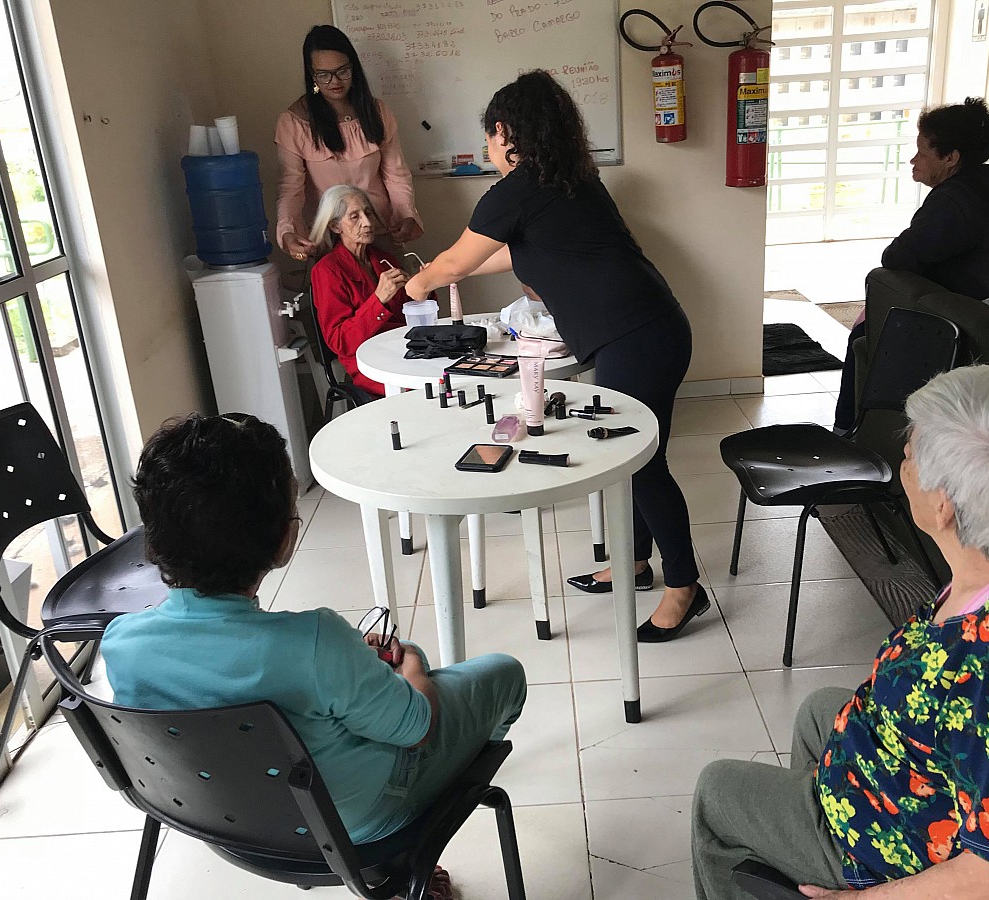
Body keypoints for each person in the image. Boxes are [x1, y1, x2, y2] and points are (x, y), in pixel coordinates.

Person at [693, 366, 989, 900]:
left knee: (717, 793)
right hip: (936, 783)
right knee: (819, 711)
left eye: (913, 450)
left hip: (930, 851)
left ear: (942, 506)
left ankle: (832, 867)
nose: (903, 450)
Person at [100, 413, 527, 888]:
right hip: (356, 825)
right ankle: (422, 840)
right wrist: (412, 663)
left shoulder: (122, 643)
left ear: (153, 540)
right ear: (285, 540)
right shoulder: (317, 642)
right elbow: (417, 729)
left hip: (228, 823)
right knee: (503, 673)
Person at [403, 70, 708, 642]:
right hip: (651, 328)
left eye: (489, 139)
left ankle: (684, 587)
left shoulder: (518, 192)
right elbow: (506, 259)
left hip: (636, 336)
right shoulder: (567, 181)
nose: (491, 150)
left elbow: (455, 264)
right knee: (632, 457)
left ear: (503, 131)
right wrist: (436, 274)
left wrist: (417, 286)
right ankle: (634, 563)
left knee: (642, 463)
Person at [833, 97, 989, 432]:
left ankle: (848, 433)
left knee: (862, 332)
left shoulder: (954, 203)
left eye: (922, 151)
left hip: (955, 326)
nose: (913, 160)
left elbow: (897, 258)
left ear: (950, 157)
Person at [276, 25, 422, 262]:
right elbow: (291, 189)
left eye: (343, 71)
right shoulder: (294, 122)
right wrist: (288, 232)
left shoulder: (377, 112)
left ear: (354, 68)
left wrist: (406, 215)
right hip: (331, 239)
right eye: (323, 75)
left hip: (379, 231)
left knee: (394, 293)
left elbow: (396, 175)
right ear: (311, 75)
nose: (335, 81)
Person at [309, 184, 408, 398]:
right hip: (368, 362)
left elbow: (406, 315)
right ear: (336, 226)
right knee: (423, 389)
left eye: (368, 213)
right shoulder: (327, 271)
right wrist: (379, 301)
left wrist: (424, 289)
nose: (367, 222)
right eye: (355, 216)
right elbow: (339, 341)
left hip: (403, 349)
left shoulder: (384, 259)